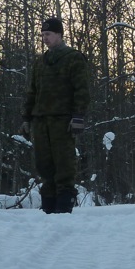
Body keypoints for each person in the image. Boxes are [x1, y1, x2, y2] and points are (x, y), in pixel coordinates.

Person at [22, 17, 90, 214]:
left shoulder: (73, 58)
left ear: (59, 35)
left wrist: (78, 116)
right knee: (44, 166)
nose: (45, 38)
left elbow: (81, 90)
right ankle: (47, 210)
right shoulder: (40, 63)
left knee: (64, 165)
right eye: (42, 35)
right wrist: (26, 118)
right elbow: (32, 92)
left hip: (63, 120)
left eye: (48, 34)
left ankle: (63, 210)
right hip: (41, 120)